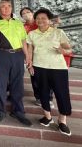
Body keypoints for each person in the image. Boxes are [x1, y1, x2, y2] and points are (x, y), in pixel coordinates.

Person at [27, 8, 72, 136]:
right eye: (38, 18)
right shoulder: (32, 34)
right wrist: (29, 64)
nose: (40, 20)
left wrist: (63, 51)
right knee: (43, 93)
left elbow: (68, 49)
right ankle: (47, 116)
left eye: (43, 18)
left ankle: (62, 120)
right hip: (39, 67)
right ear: (35, 20)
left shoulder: (58, 32)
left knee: (61, 94)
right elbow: (30, 50)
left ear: (49, 19)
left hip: (58, 68)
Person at [0, 0, 32, 126]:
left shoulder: (18, 23)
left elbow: (23, 40)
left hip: (18, 55)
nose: (6, 8)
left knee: (17, 83)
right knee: (1, 84)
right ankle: (0, 110)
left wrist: (27, 56)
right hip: (2, 54)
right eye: (3, 6)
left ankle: (18, 111)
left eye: (9, 6)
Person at [20, 7, 54, 108]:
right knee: (35, 76)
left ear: (32, 13)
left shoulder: (40, 22)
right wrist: (27, 57)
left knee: (48, 76)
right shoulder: (23, 27)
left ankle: (49, 98)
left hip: (45, 53)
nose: (26, 14)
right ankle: (38, 97)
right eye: (23, 13)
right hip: (32, 54)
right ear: (22, 17)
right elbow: (23, 42)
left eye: (28, 12)